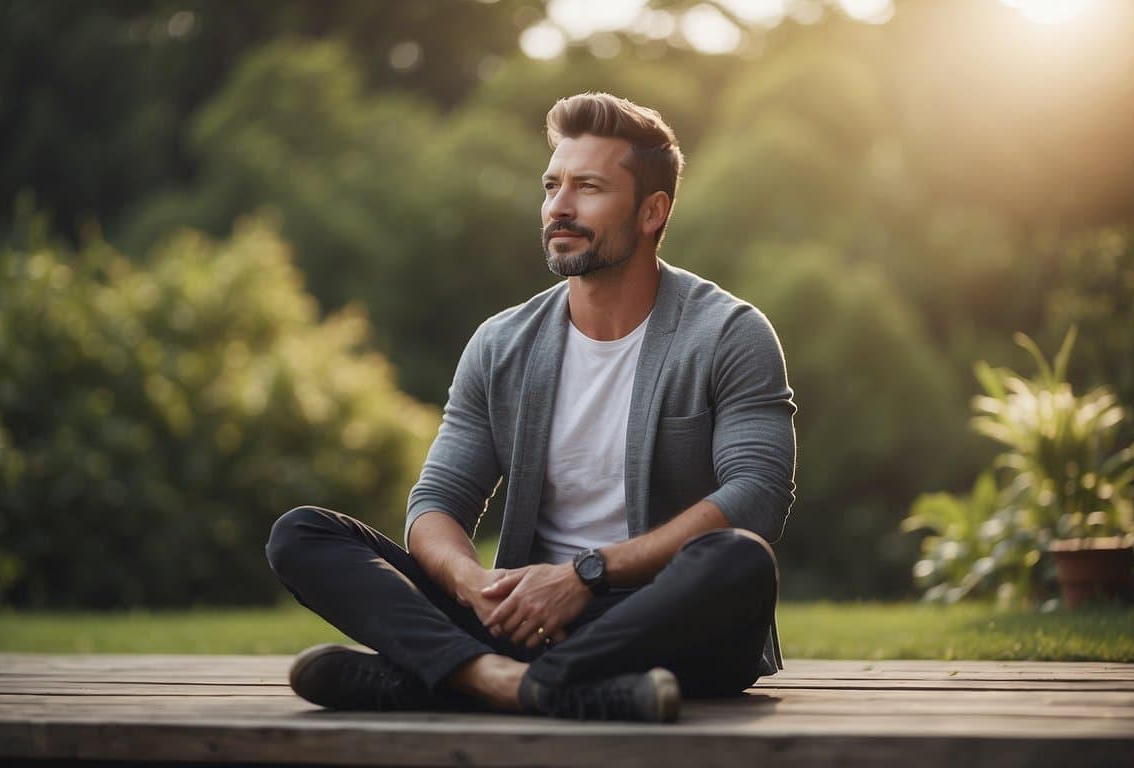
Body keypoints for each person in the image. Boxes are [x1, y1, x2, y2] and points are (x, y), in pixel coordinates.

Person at [266, 92, 796, 723]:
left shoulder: (729, 333)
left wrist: (584, 576)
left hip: (667, 621)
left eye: (589, 187)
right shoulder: (501, 344)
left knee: (739, 559)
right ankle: (517, 684)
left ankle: (438, 679)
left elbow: (757, 495)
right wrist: (473, 584)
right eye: (552, 186)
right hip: (520, 621)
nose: (559, 208)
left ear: (653, 212)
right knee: (303, 532)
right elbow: (435, 503)